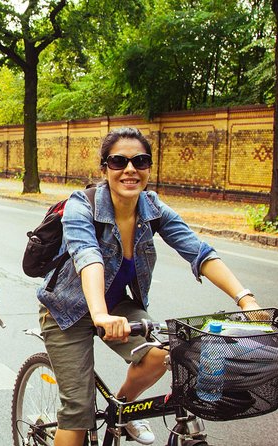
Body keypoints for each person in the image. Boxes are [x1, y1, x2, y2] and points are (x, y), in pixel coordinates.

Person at [37, 127, 262, 446]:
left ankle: (123, 410)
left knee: (158, 355)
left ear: (148, 168)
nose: (130, 169)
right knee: (78, 411)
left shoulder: (153, 209)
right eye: (118, 161)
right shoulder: (81, 206)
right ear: (104, 169)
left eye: (140, 161)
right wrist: (100, 315)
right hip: (66, 311)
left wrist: (245, 299)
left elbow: (199, 251)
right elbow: (88, 258)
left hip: (116, 307)